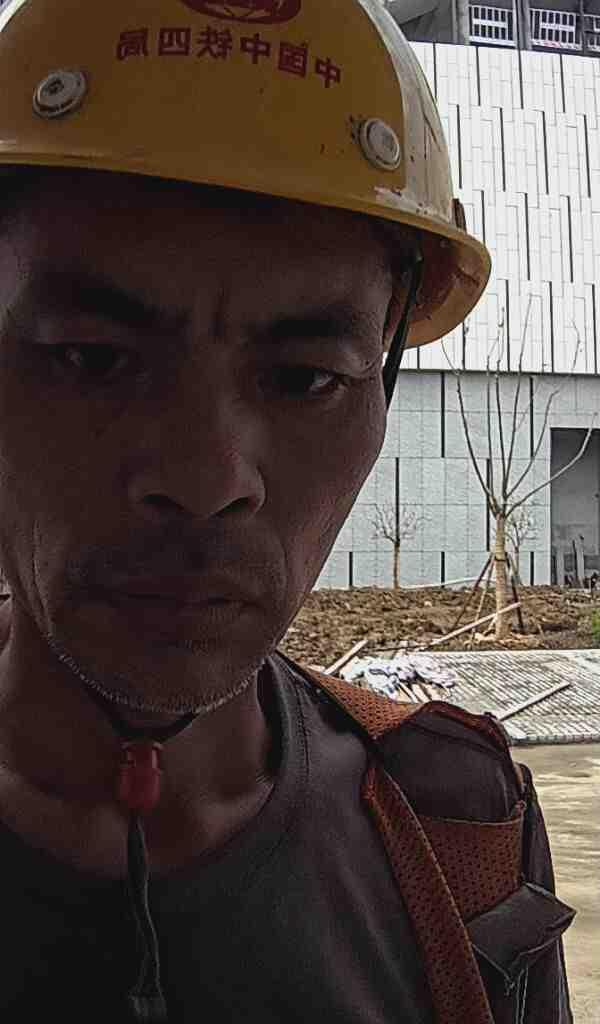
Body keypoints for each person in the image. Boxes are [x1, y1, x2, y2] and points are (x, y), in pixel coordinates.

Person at [0, 0, 574, 1020]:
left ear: (382, 390)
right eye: (92, 358)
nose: (207, 476)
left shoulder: (460, 839)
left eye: (307, 378)